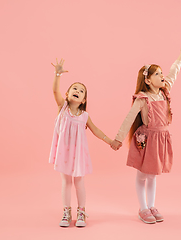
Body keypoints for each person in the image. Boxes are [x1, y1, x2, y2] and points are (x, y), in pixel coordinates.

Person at [111, 42, 181, 224]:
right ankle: (143, 208)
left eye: (162, 73)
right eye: (158, 74)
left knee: (153, 174)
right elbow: (128, 119)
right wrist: (118, 139)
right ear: (147, 80)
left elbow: (174, 73)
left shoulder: (164, 92)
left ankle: (152, 205)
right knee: (142, 173)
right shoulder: (142, 99)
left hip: (160, 138)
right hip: (146, 139)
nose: (163, 76)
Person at [49, 59, 117, 227]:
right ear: (67, 94)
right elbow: (54, 90)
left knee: (79, 182)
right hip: (64, 154)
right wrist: (57, 74)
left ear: (84, 100)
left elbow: (96, 130)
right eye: (74, 88)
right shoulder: (62, 107)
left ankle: (81, 212)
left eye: (81, 91)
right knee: (66, 182)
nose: (77, 91)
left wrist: (110, 141)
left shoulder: (84, 116)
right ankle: (66, 212)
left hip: (78, 154)